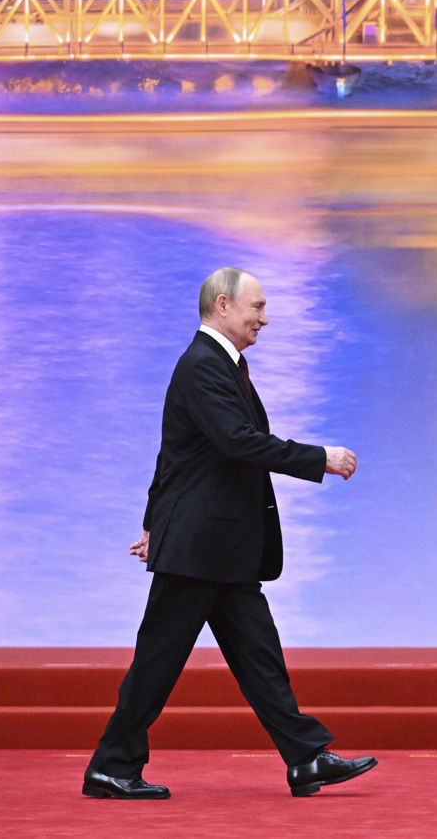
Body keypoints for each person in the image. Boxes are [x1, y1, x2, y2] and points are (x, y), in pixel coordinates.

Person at [83, 268, 378, 800]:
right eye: (257, 307)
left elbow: (175, 455)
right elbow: (240, 442)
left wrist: (153, 523)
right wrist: (321, 459)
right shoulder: (203, 366)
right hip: (199, 548)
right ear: (224, 305)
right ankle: (112, 765)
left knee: (259, 656)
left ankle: (305, 758)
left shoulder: (222, 365)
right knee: (158, 661)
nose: (265, 318)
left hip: (217, 548)